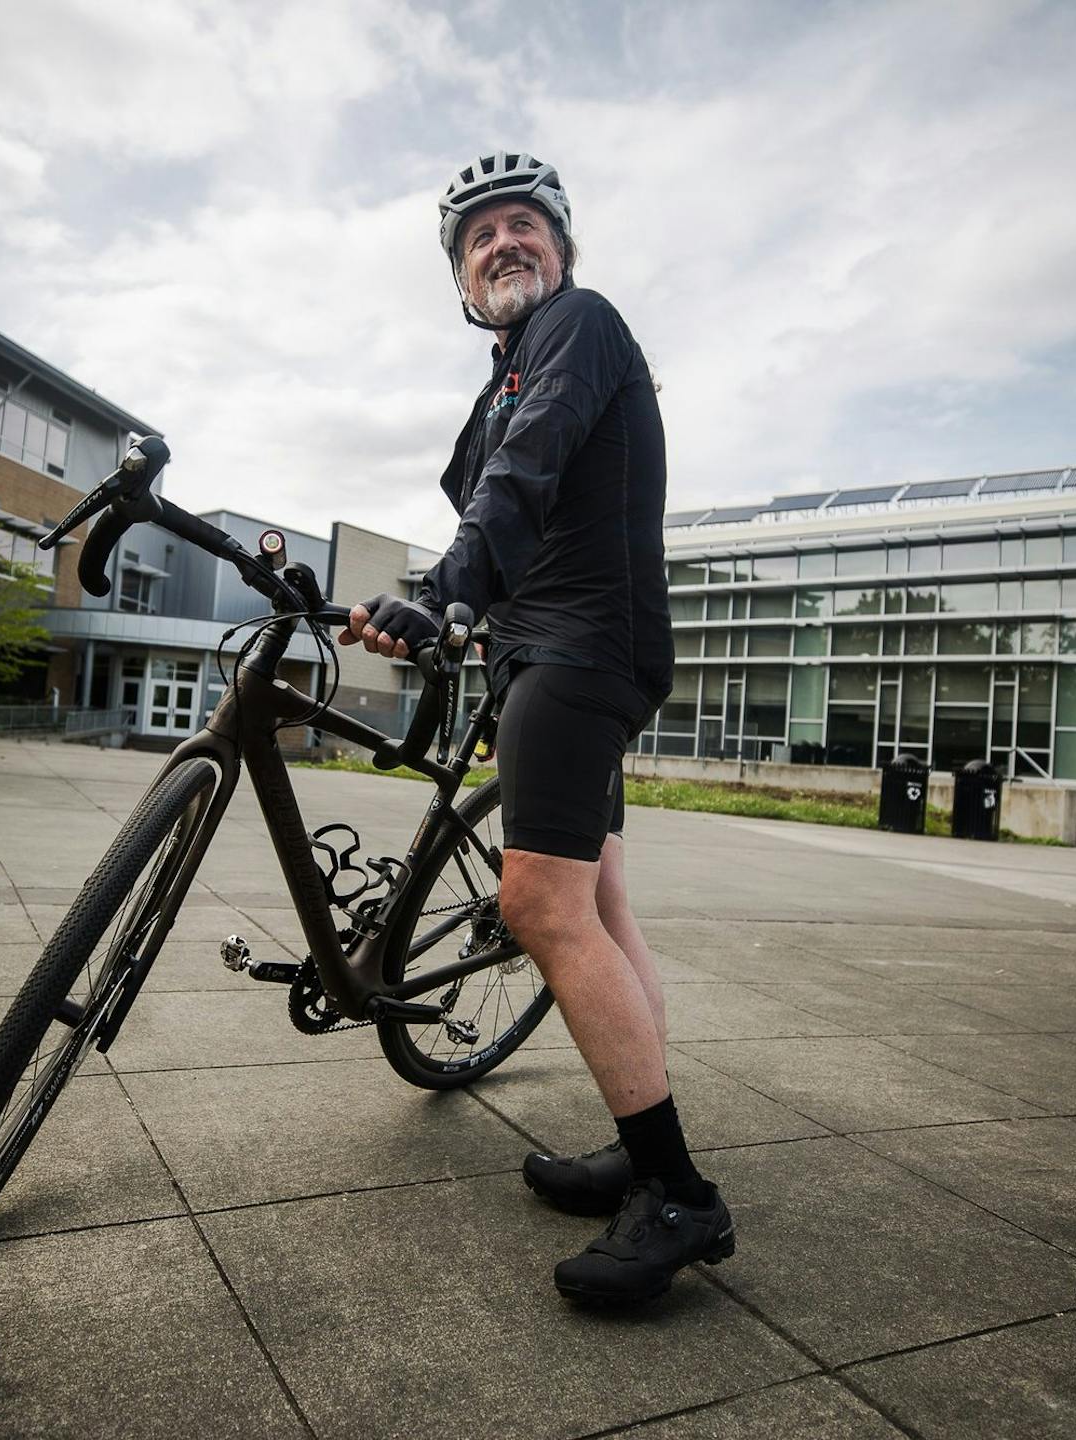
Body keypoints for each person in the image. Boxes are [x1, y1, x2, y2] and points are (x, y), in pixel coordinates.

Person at [340, 152, 733, 1304]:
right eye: (481, 238)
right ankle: (638, 1133)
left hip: (581, 648)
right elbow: (499, 488)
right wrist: (430, 613)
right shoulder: (502, 378)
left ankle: (678, 1198)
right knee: (601, 902)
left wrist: (453, 585)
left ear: (559, 252)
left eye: (524, 227)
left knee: (535, 902)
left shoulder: (579, 328)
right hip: (541, 648)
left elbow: (528, 464)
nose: (503, 244)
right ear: (462, 280)